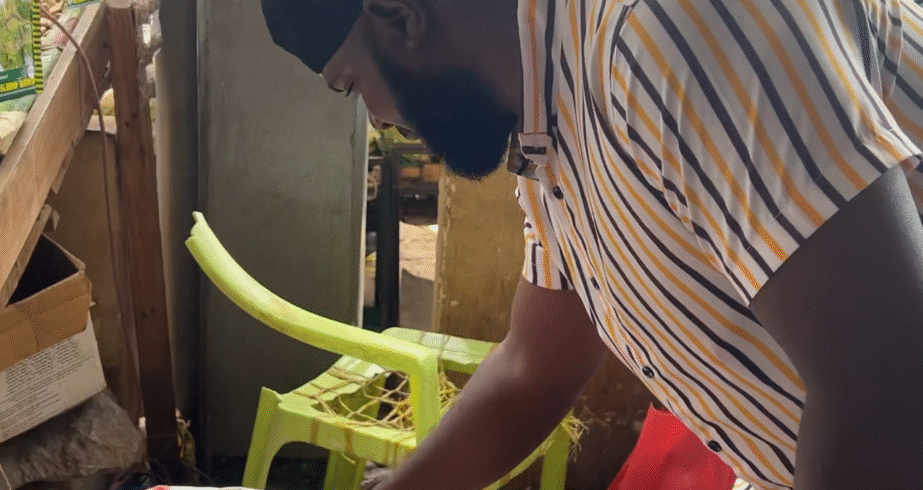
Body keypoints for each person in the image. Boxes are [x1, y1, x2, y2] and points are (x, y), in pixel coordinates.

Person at [260, 0, 923, 489]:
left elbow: (887, 382)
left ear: (401, 19)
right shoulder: (549, 125)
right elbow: (535, 368)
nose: (377, 118)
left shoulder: (667, 30)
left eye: (351, 84)